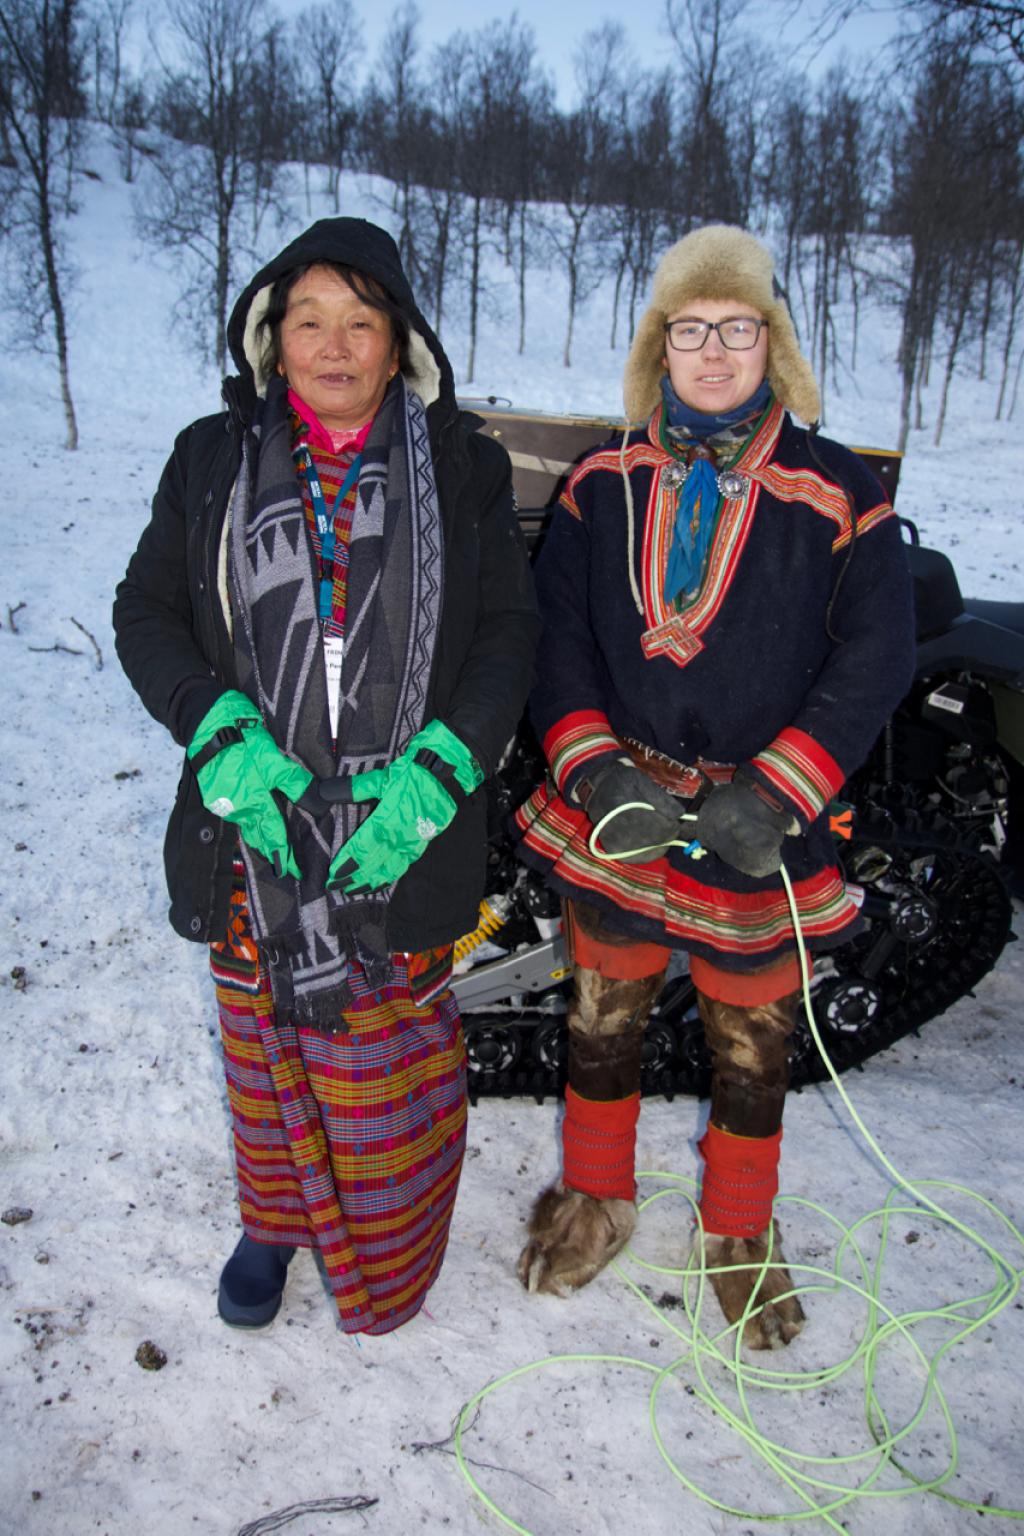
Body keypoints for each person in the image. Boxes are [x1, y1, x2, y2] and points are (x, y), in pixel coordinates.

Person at [113, 217, 539, 1335]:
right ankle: (272, 1218)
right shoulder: (211, 459)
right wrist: (210, 725)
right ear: (272, 335)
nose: (334, 345)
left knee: (383, 1058)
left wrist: (447, 766)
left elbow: (505, 631)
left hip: (402, 823)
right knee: (263, 1044)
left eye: (361, 321)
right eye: (309, 319)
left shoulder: (466, 468)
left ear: (400, 345)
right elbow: (144, 611)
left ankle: (385, 1230)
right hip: (251, 829)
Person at [514, 224, 915, 1348]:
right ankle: (595, 1198)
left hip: (762, 823)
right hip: (624, 809)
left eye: (736, 329)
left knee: (753, 1043)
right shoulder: (603, 481)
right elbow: (556, 638)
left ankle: (737, 1232)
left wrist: (787, 787)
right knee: (602, 1018)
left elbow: (876, 654)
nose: (713, 352)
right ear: (661, 347)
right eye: (690, 330)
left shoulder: (839, 493)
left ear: (770, 342)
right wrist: (590, 765)